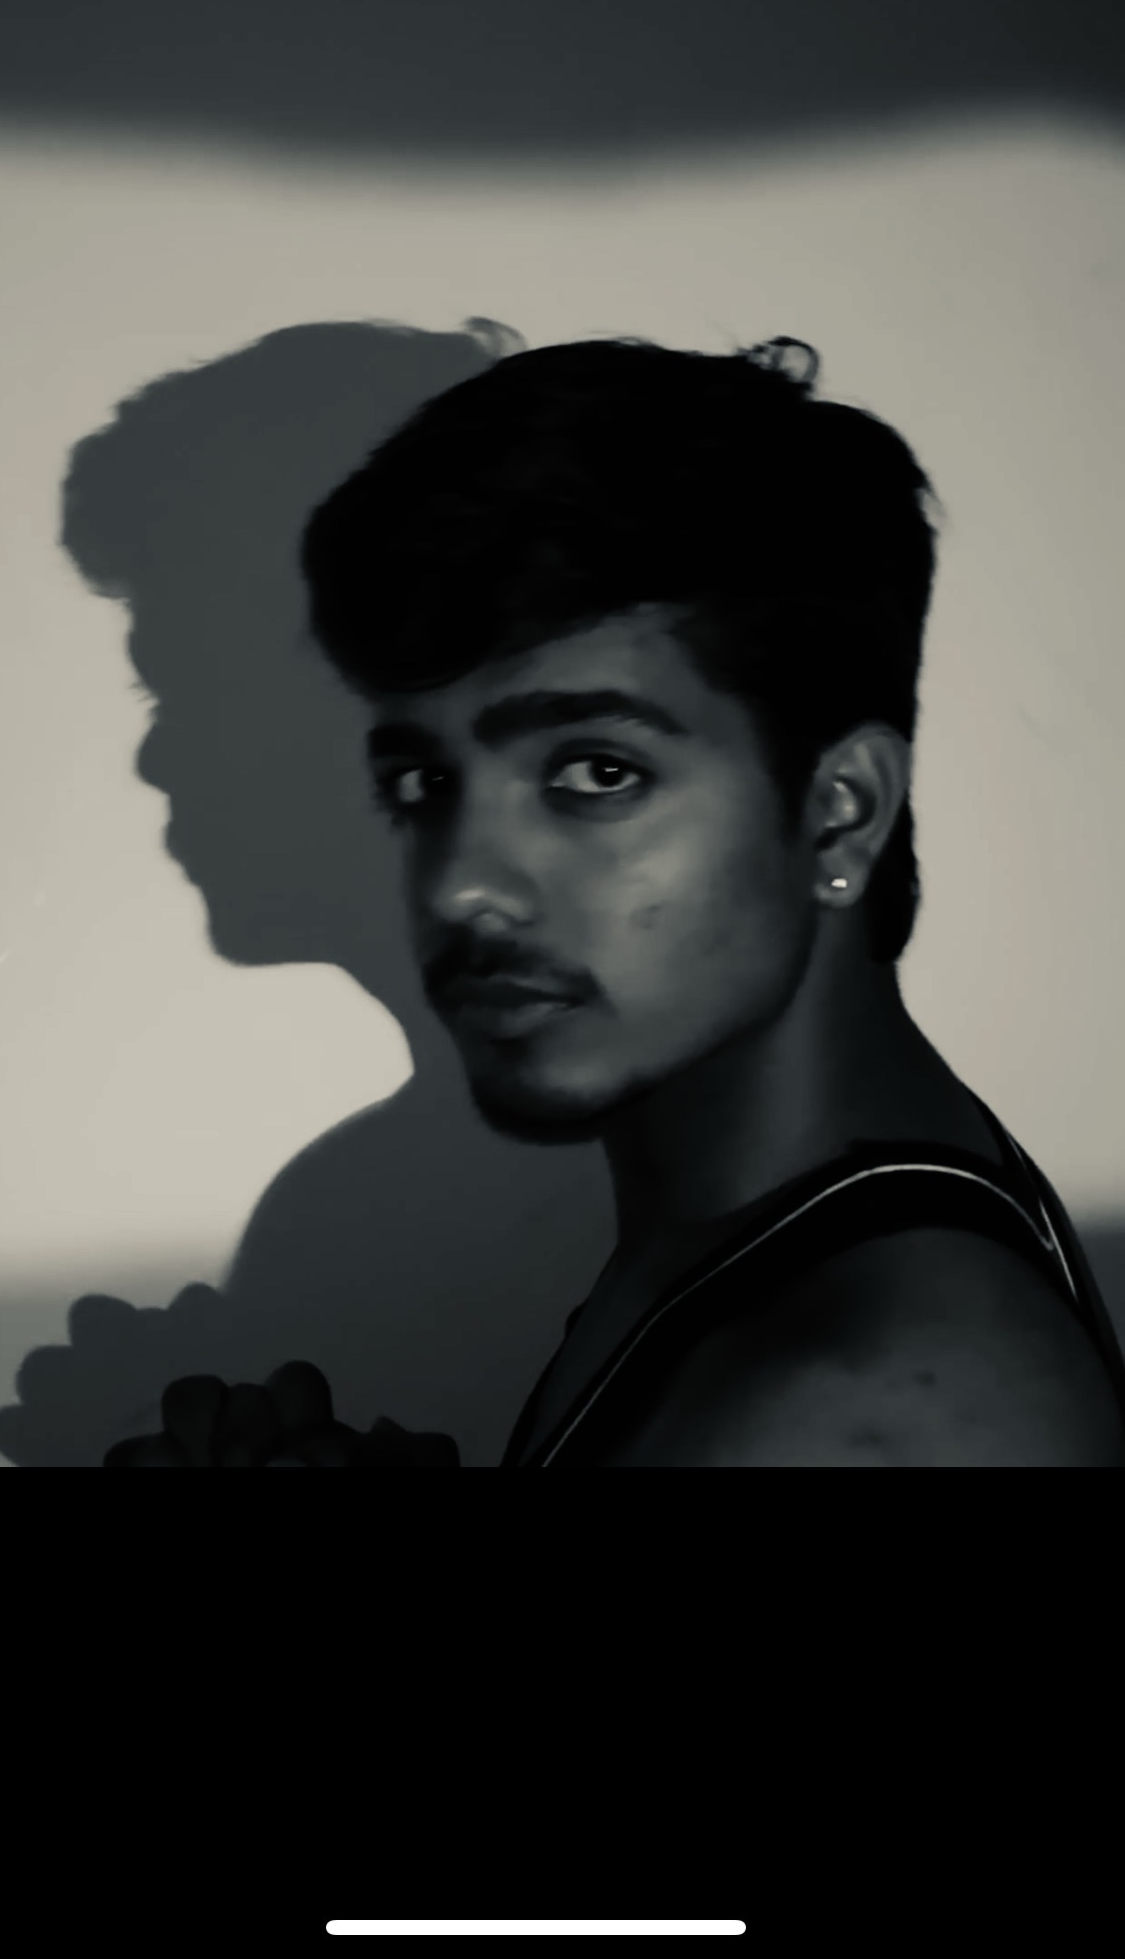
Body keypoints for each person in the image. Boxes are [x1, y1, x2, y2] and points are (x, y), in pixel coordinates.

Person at [117, 328, 1125, 1466]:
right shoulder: (775, 1227)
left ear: (840, 811)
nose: (461, 885)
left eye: (597, 773)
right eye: (424, 783)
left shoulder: (870, 1402)